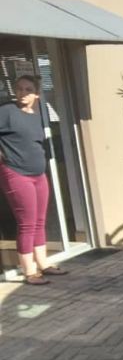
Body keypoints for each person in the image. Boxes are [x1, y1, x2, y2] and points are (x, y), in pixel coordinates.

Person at [0, 75, 67, 285]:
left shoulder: (39, 114)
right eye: (19, 89)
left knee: (39, 221)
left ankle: (43, 264)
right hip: (16, 173)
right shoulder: (7, 112)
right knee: (27, 223)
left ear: (36, 94)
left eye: (28, 89)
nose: (22, 93)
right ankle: (29, 271)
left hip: (39, 174)